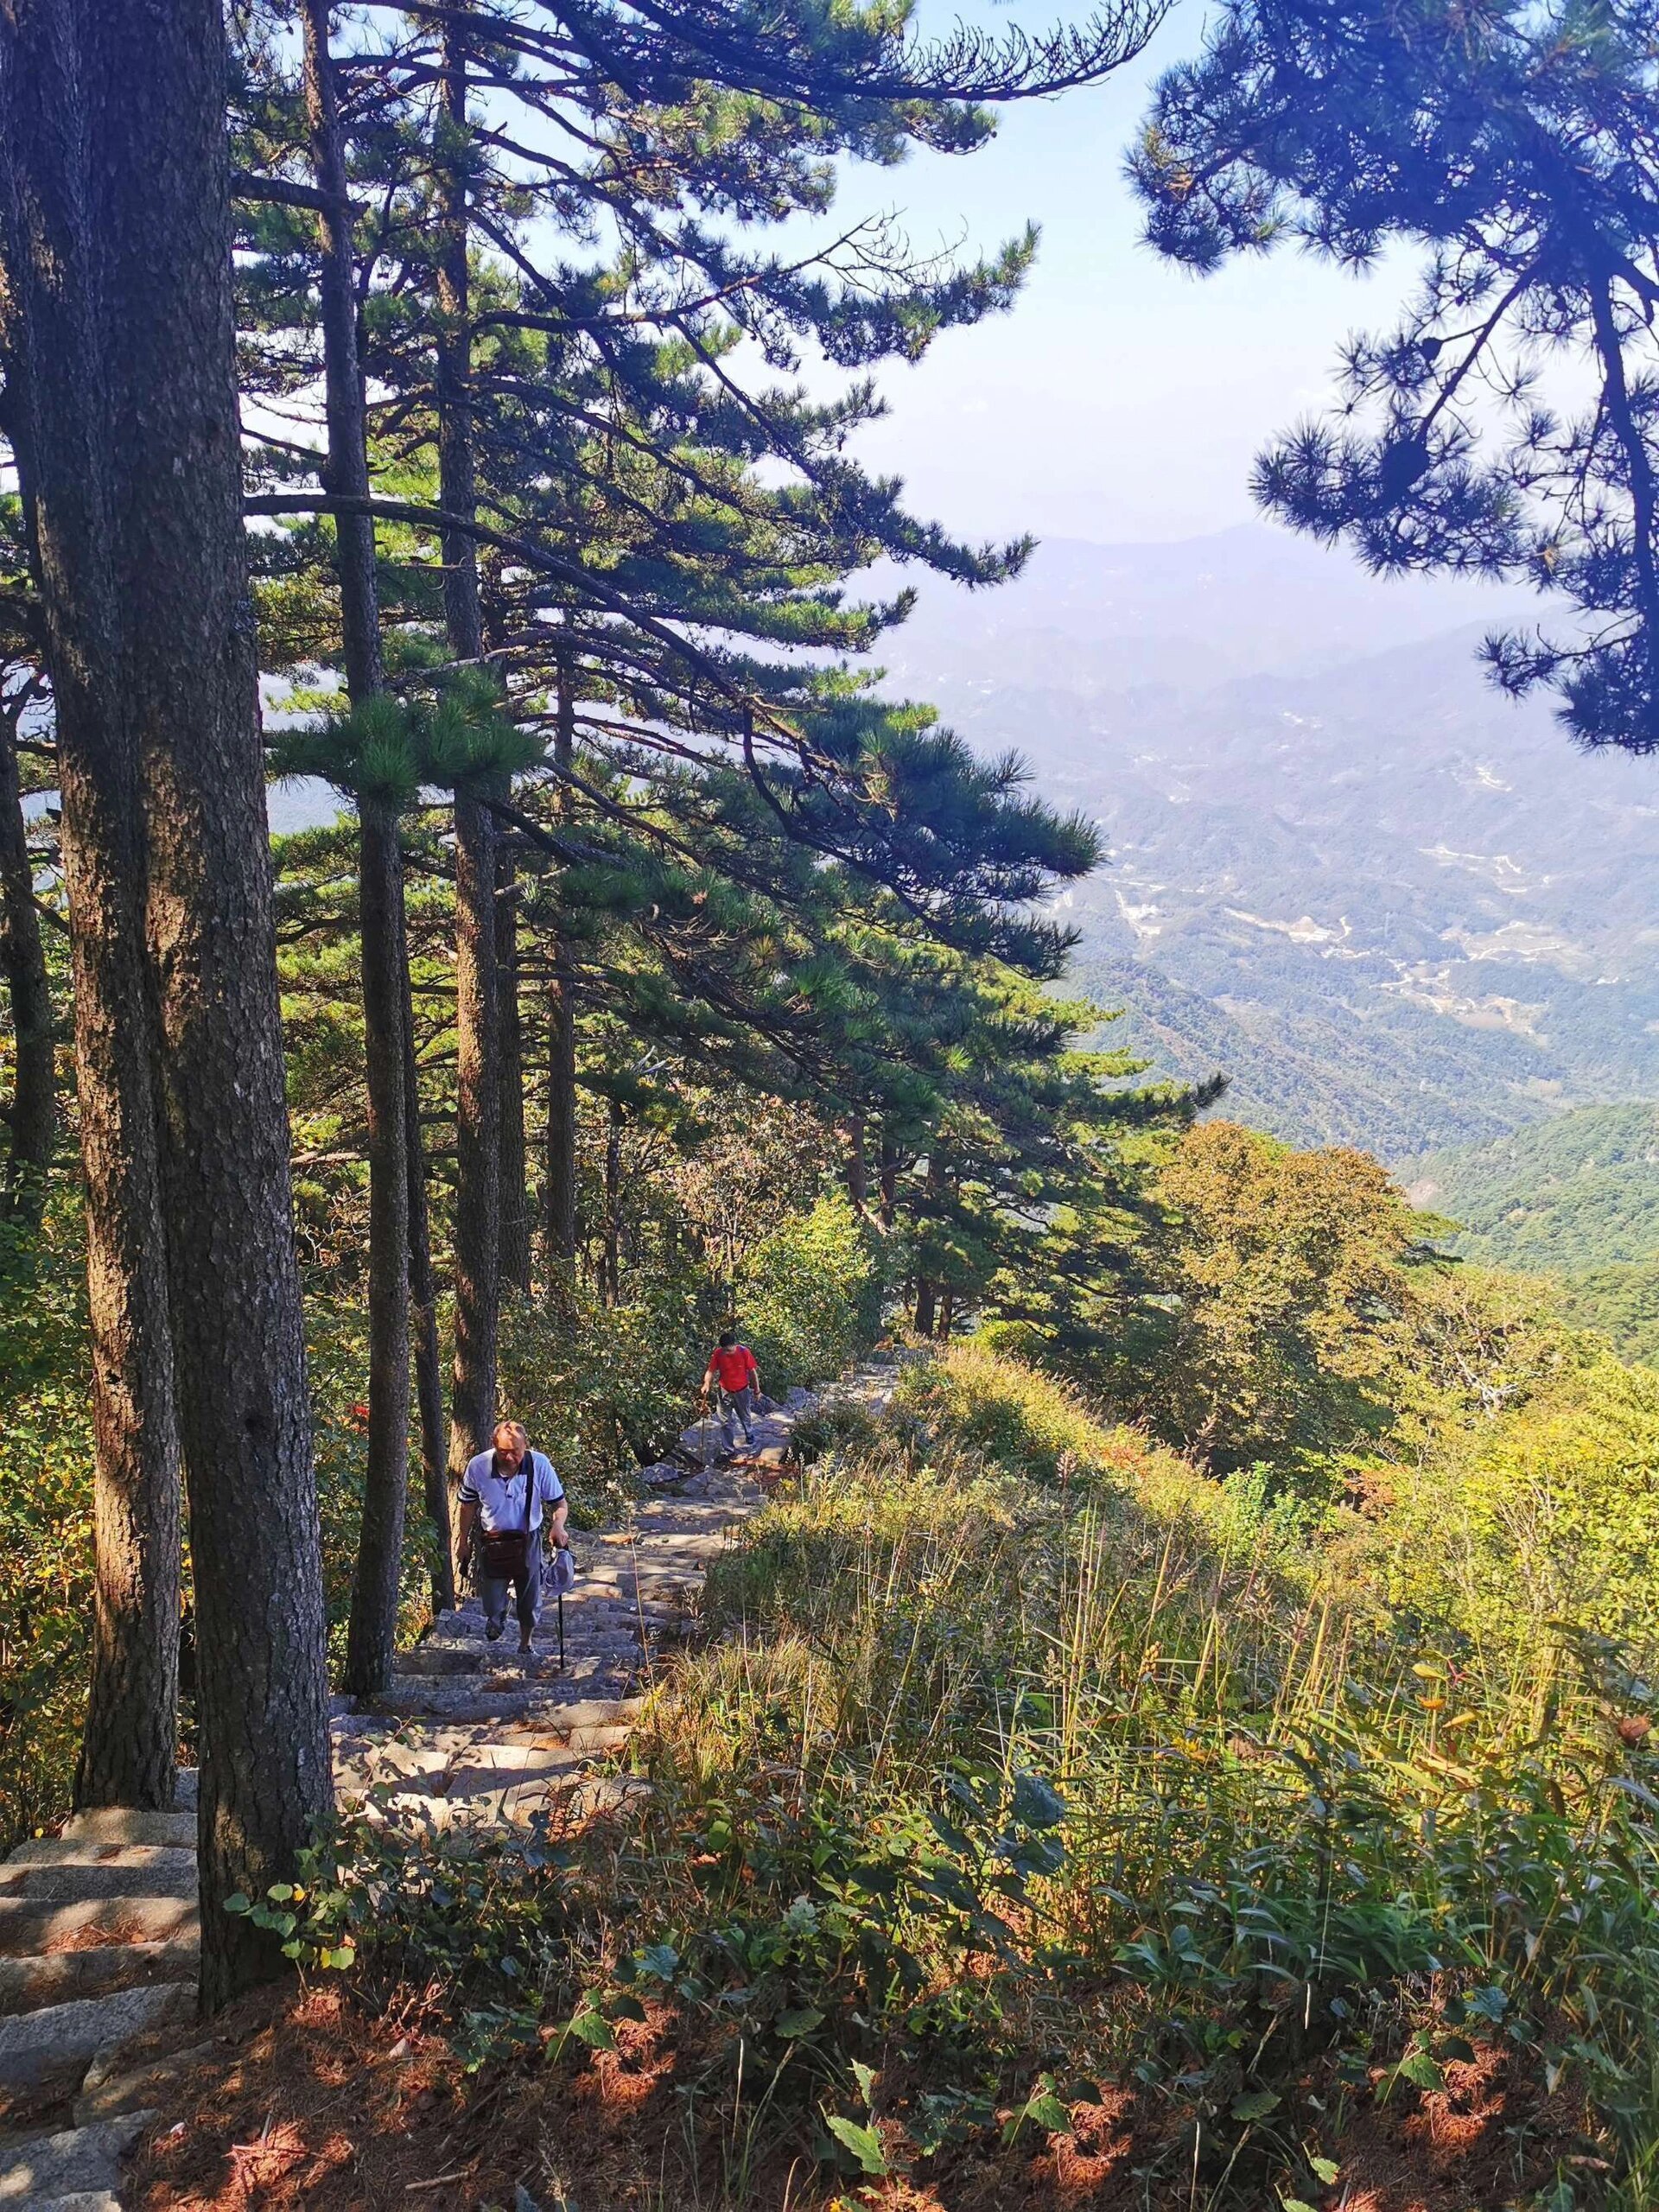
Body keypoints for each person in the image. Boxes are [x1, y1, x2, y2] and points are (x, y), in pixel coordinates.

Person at [454, 1420, 569, 1652]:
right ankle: (499, 1613)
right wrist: (462, 1541)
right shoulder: (478, 1466)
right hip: (492, 1541)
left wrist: (558, 1525)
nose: (508, 1458)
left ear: (525, 1446)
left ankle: (526, 1644)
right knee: (491, 1603)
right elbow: (467, 1505)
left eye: (515, 1452)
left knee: (529, 1601)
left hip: (529, 1540)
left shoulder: (539, 1464)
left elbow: (559, 1503)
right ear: (493, 1445)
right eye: (502, 1452)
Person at [701, 1329, 760, 1454]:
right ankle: (728, 1450)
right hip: (725, 1391)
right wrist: (706, 1384)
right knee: (725, 1422)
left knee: (745, 1417)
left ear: (735, 1345)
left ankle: (750, 1439)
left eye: (730, 1349)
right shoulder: (718, 1353)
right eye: (725, 1350)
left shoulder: (744, 1352)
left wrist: (757, 1390)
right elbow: (711, 1370)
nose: (728, 1352)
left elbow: (752, 1372)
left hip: (742, 1390)